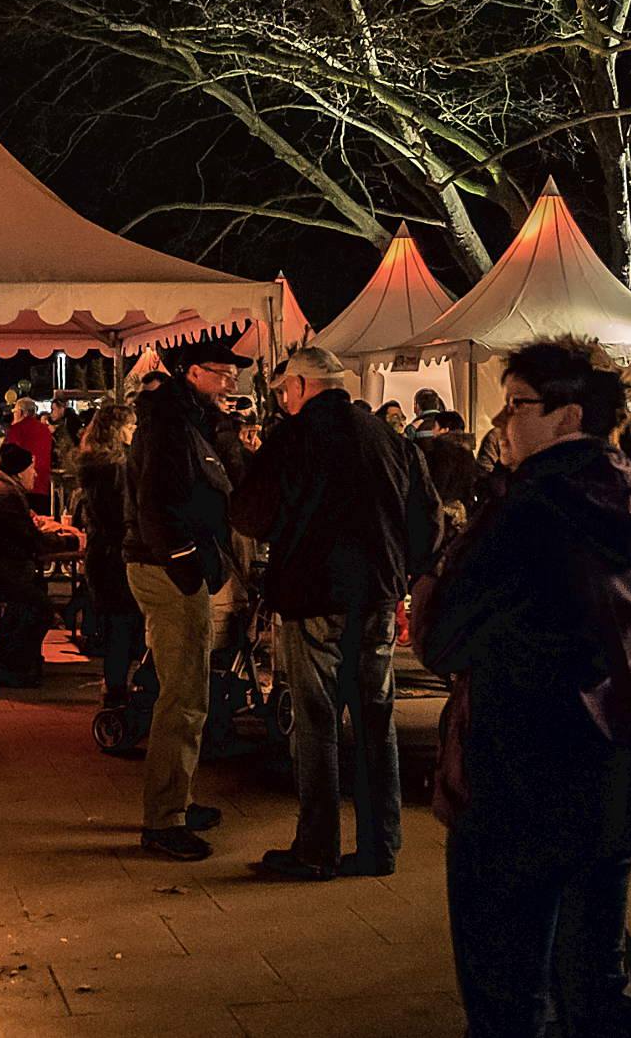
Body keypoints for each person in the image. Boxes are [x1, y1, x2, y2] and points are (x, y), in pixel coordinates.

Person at [418, 338, 631, 1038]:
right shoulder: (630, 493)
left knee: (508, 985)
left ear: (568, 415)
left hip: (514, 766)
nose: (502, 421)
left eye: (519, 403)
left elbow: (442, 636)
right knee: (596, 972)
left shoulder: (526, 509)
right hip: (609, 756)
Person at [230, 345, 439, 881]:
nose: (281, 399)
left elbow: (251, 515)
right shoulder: (390, 439)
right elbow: (428, 522)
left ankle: (316, 847)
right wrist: (400, 572)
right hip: (375, 597)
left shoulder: (292, 439)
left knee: (316, 725)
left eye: (284, 390)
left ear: (302, 386)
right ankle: (380, 845)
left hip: (311, 595)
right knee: (376, 722)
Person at [125, 337, 248, 861]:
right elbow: (159, 501)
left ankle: (178, 799)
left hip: (172, 565)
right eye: (222, 372)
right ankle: (165, 819)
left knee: (186, 690)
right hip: (168, 570)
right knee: (184, 695)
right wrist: (185, 562)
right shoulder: (171, 425)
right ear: (193, 373)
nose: (231, 382)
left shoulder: (186, 420)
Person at [0, 441, 80, 688]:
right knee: (39, 606)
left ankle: (1, 659)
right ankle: (13, 668)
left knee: (32, 595)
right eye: (32, 468)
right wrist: (71, 542)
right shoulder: (5, 494)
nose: (35, 473)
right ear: (20, 471)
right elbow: (34, 541)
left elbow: (21, 536)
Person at [76, 402, 140, 708]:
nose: (134, 432)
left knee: (119, 626)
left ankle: (115, 687)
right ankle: (116, 691)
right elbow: (118, 516)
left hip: (102, 555)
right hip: (114, 558)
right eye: (129, 426)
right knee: (122, 625)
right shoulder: (114, 470)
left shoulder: (95, 466)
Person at [2, 397, 55, 511]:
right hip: (43, 485)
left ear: (22, 412)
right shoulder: (45, 430)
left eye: (15, 412)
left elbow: (9, 456)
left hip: (22, 485)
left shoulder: (17, 429)